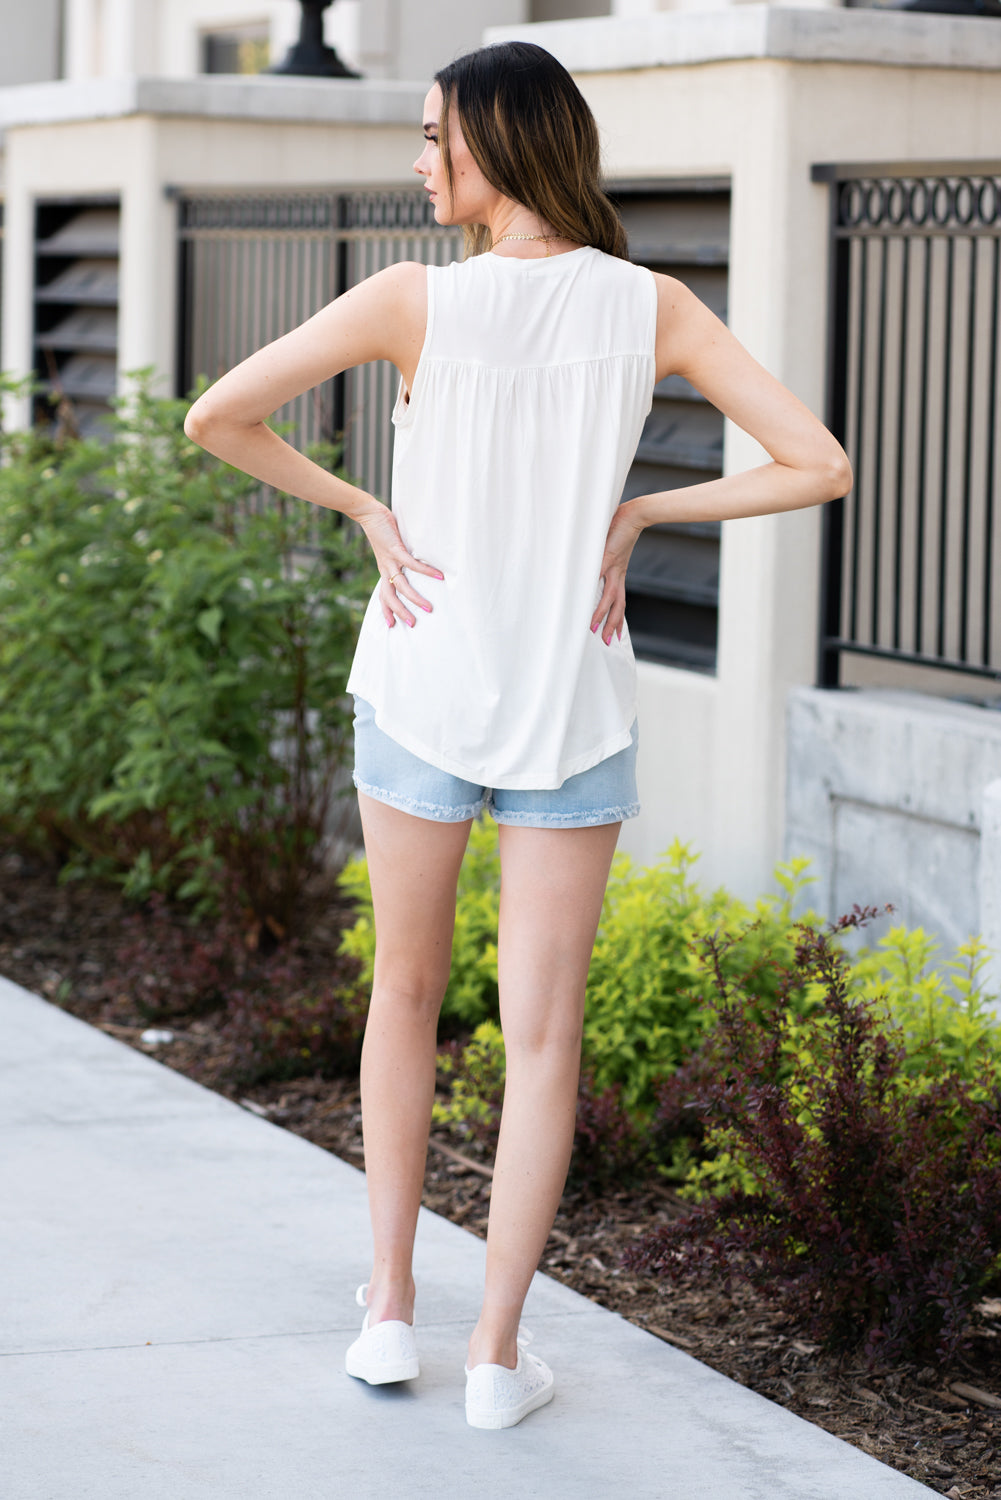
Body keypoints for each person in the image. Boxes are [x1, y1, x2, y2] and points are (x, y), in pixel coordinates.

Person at [183, 40, 851, 1430]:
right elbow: (819, 463)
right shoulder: (653, 304)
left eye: (435, 136)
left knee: (403, 998)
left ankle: (387, 1313)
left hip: (422, 681)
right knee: (543, 1037)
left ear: (495, 142)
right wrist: (643, 510)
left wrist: (363, 510)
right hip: (573, 705)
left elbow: (216, 417)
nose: (420, 160)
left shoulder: (412, 299)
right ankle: (495, 1355)